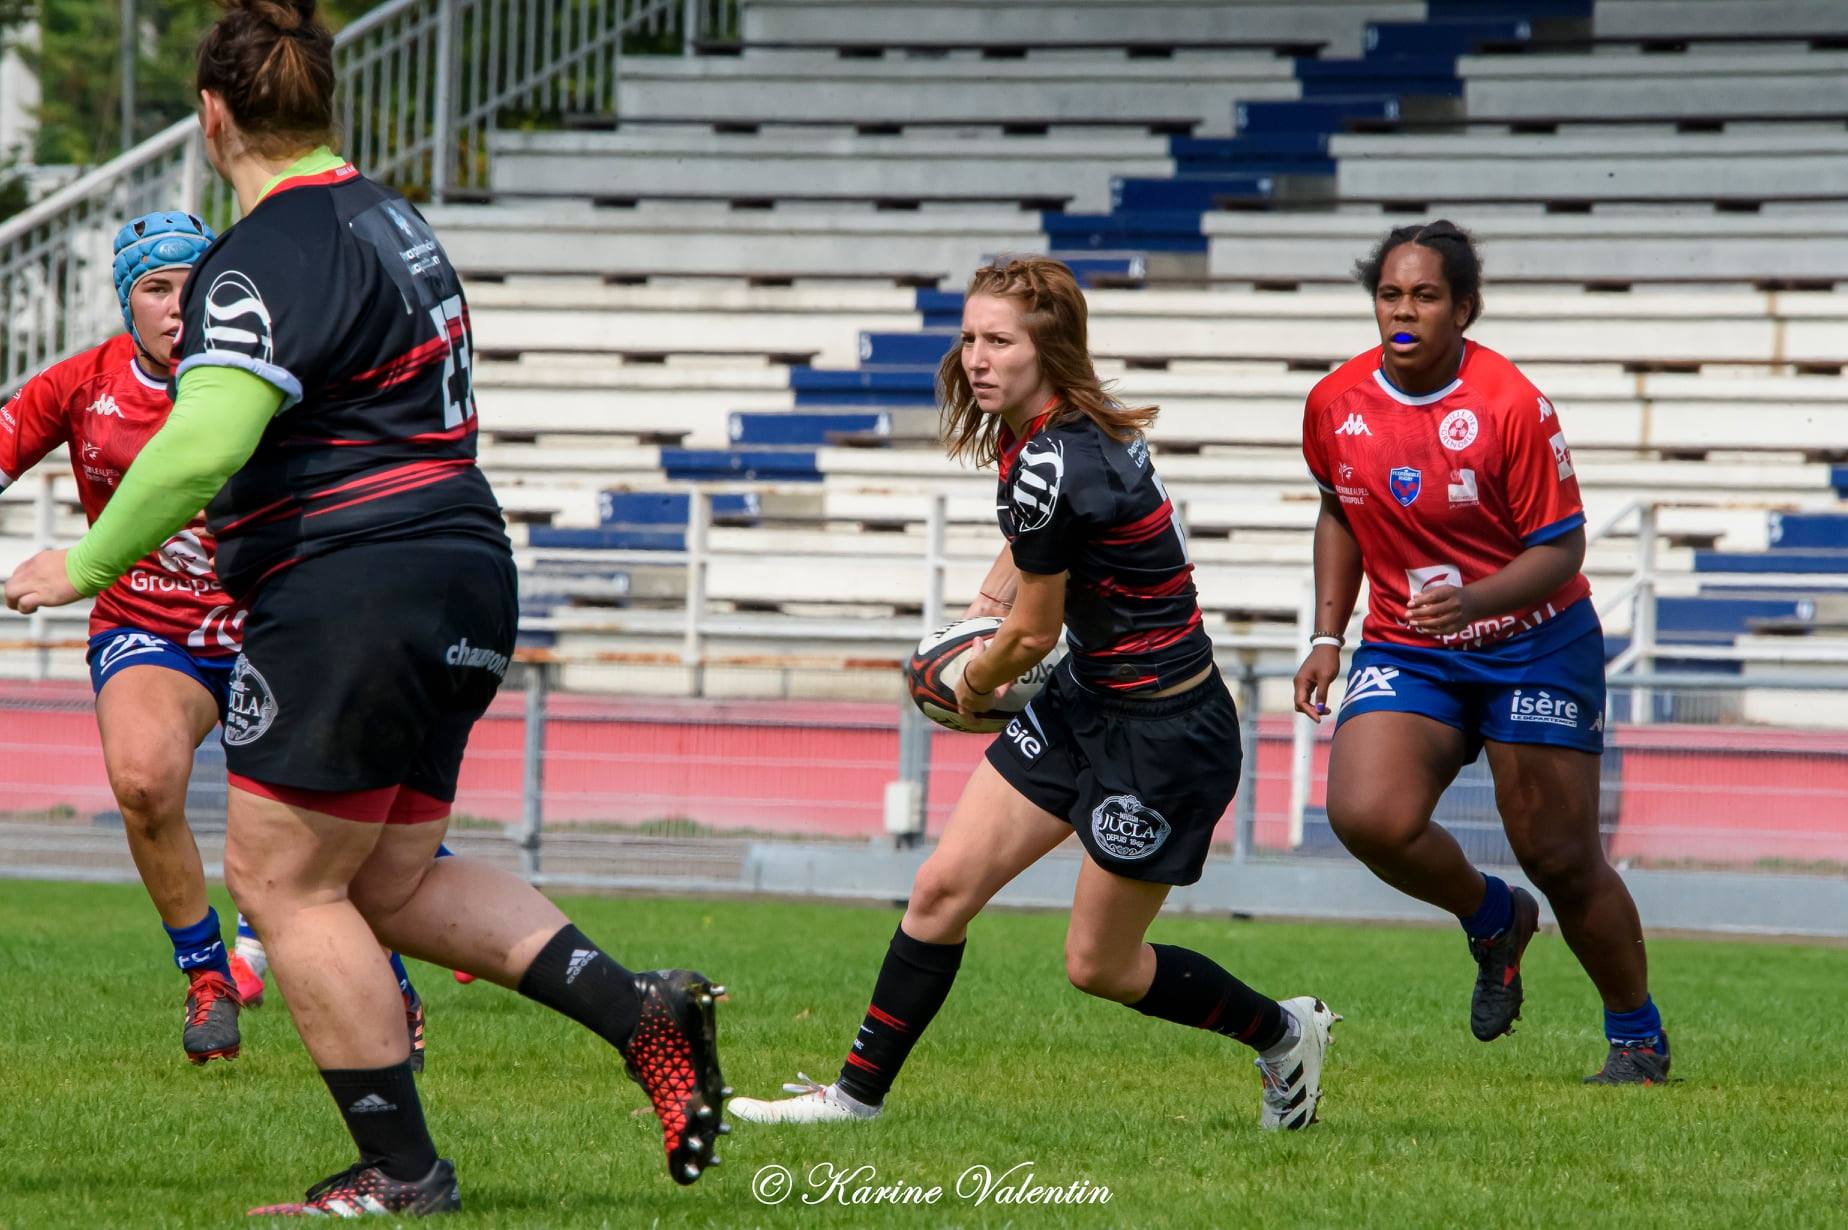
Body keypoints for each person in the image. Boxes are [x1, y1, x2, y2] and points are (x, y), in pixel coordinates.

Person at [4, 0, 728, 1215]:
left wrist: (75, 567)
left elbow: (199, 448)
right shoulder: (396, 219)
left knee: (284, 882)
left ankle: (400, 1170)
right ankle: (636, 1007)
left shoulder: (265, 250)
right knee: (387, 882)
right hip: (462, 563)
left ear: (213, 113)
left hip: (353, 580)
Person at [729, 256, 1339, 1133]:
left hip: (1165, 733)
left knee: (1099, 964)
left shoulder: (1054, 458)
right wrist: (981, 611)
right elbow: (1034, 548)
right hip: (1087, 700)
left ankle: (1286, 1034)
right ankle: (853, 1101)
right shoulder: (1055, 434)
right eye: (969, 338)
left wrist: (963, 682)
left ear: (1046, 348)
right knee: (940, 891)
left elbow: (1034, 635)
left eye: (999, 341)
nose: (977, 357)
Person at [1, 210, 437, 1069]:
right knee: (142, 780)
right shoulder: (83, 385)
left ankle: (388, 971)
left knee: (310, 837)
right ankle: (207, 975)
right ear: (128, 303)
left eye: (192, 287)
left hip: (274, 626)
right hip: (149, 626)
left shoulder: (268, 376)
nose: (176, 306)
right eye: (155, 290)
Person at [1291, 220, 1668, 1085]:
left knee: (1561, 855)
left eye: (1426, 296)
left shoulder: (1510, 404)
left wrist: (1474, 599)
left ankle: (1637, 1037)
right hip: (1409, 642)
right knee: (1368, 815)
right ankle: (1494, 918)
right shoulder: (1335, 403)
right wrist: (1325, 633)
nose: (1404, 311)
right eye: (1390, 294)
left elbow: (1561, 551)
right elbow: (1340, 512)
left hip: (1534, 641)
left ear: (1464, 308)